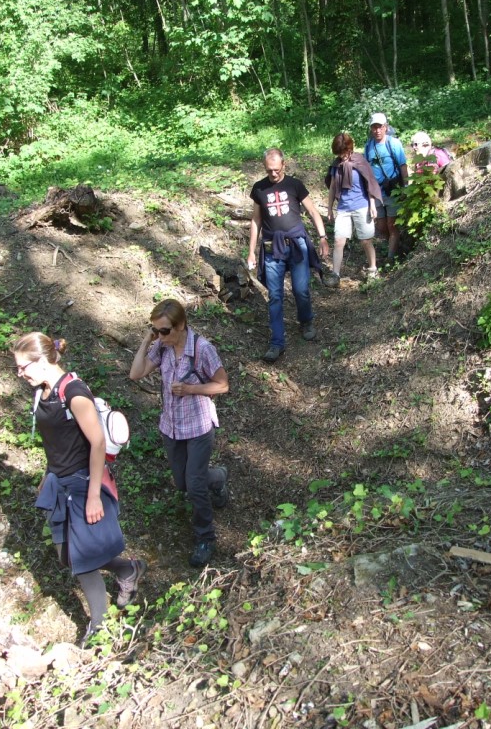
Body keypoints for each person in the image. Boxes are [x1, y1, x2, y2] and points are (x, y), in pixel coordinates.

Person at [12, 333, 145, 647]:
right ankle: (128, 569)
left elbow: (97, 442)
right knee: (66, 554)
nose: (20, 374)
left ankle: (99, 627)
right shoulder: (44, 392)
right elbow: (56, 442)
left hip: (84, 483)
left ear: (42, 361)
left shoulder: (75, 393)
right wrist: (48, 473)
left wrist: (95, 494)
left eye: (23, 367)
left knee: (82, 560)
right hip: (60, 482)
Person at [129, 299, 230, 568]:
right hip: (171, 427)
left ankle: (205, 538)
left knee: (194, 486)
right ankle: (218, 477)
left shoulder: (201, 349)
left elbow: (222, 385)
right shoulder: (161, 348)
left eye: (164, 331)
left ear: (181, 324)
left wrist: (190, 389)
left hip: (198, 427)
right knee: (183, 482)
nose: (160, 336)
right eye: (156, 330)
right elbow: (135, 373)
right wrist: (146, 340)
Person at [247, 147, 330, 363]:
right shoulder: (259, 189)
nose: (273, 174)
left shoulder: (295, 185)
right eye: (268, 170)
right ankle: (277, 342)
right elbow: (256, 221)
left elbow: (312, 211)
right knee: (275, 296)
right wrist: (251, 252)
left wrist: (322, 238)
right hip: (271, 247)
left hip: (296, 244)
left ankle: (306, 321)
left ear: (284, 165)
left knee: (301, 289)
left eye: (276, 169)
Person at [325, 132, 383, 281]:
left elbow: (369, 183)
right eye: (339, 153)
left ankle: (372, 270)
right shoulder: (336, 165)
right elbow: (332, 188)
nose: (342, 156)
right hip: (343, 207)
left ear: (350, 149)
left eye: (344, 152)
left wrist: (372, 205)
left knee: (365, 240)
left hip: (362, 205)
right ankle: (335, 275)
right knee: (339, 241)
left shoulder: (360, 161)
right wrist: (330, 208)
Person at [364, 112, 408, 266]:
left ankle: (390, 258)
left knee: (392, 225)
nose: (377, 130)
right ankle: (396, 246)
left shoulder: (393, 143)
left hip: (392, 190)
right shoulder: (368, 146)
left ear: (385, 127)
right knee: (381, 226)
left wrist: (406, 187)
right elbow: (367, 170)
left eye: (380, 127)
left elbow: (403, 166)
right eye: (374, 127)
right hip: (376, 192)